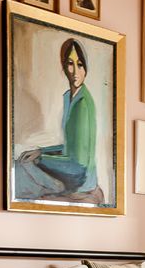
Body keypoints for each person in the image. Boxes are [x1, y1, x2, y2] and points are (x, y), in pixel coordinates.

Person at [14, 38, 103, 204]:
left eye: (80, 64)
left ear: (86, 68)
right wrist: (41, 151)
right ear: (64, 66)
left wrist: (40, 160)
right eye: (70, 63)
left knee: (22, 170)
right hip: (74, 171)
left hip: (80, 181)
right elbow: (72, 147)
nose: (75, 71)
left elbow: (79, 164)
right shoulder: (70, 97)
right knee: (20, 165)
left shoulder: (82, 104)